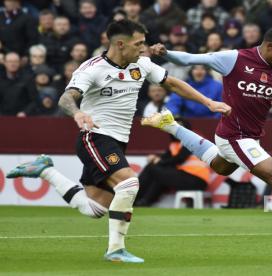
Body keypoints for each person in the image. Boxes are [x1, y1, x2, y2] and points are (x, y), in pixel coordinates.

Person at [6, 19, 230, 263]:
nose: (144, 48)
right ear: (121, 44)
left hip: (118, 141)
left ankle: (46, 171)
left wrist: (209, 102)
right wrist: (78, 112)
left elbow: (173, 83)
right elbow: (66, 98)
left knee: (95, 208)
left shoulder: (141, 64)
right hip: (96, 137)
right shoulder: (92, 68)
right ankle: (116, 250)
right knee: (130, 183)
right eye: (139, 44)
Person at [144, 25, 272, 259]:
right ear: (269, 46)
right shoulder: (234, 59)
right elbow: (192, 59)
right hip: (234, 135)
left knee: (221, 166)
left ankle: (170, 125)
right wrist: (165, 53)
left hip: (248, 137)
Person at [135, 118, 210, 206]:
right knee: (159, 173)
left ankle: (133, 197)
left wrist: (159, 162)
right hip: (185, 176)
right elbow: (164, 159)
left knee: (152, 168)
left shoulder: (192, 139)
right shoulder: (174, 145)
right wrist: (155, 158)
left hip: (196, 179)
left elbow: (180, 158)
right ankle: (144, 202)